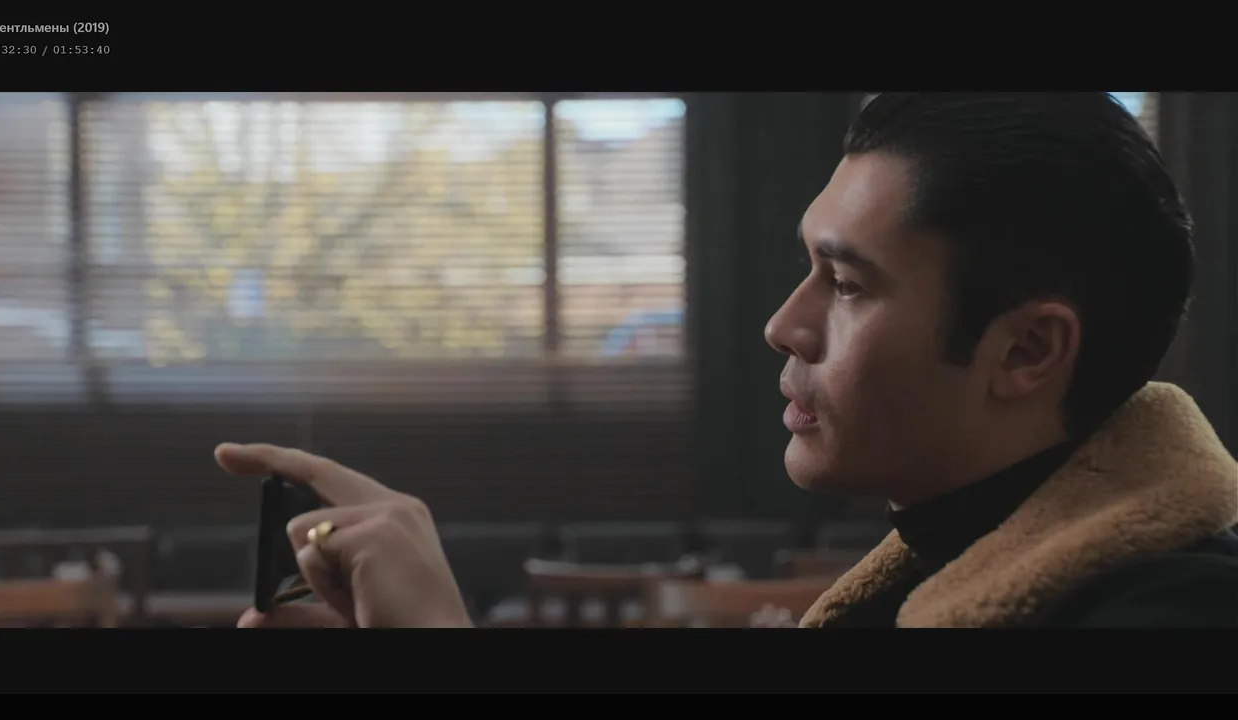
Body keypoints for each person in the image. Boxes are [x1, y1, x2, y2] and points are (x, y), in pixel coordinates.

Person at [221, 92, 1238, 629]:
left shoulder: (1176, 616)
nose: (783, 325)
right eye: (807, 269)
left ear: (1026, 350)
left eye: (846, 284)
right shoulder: (924, 577)